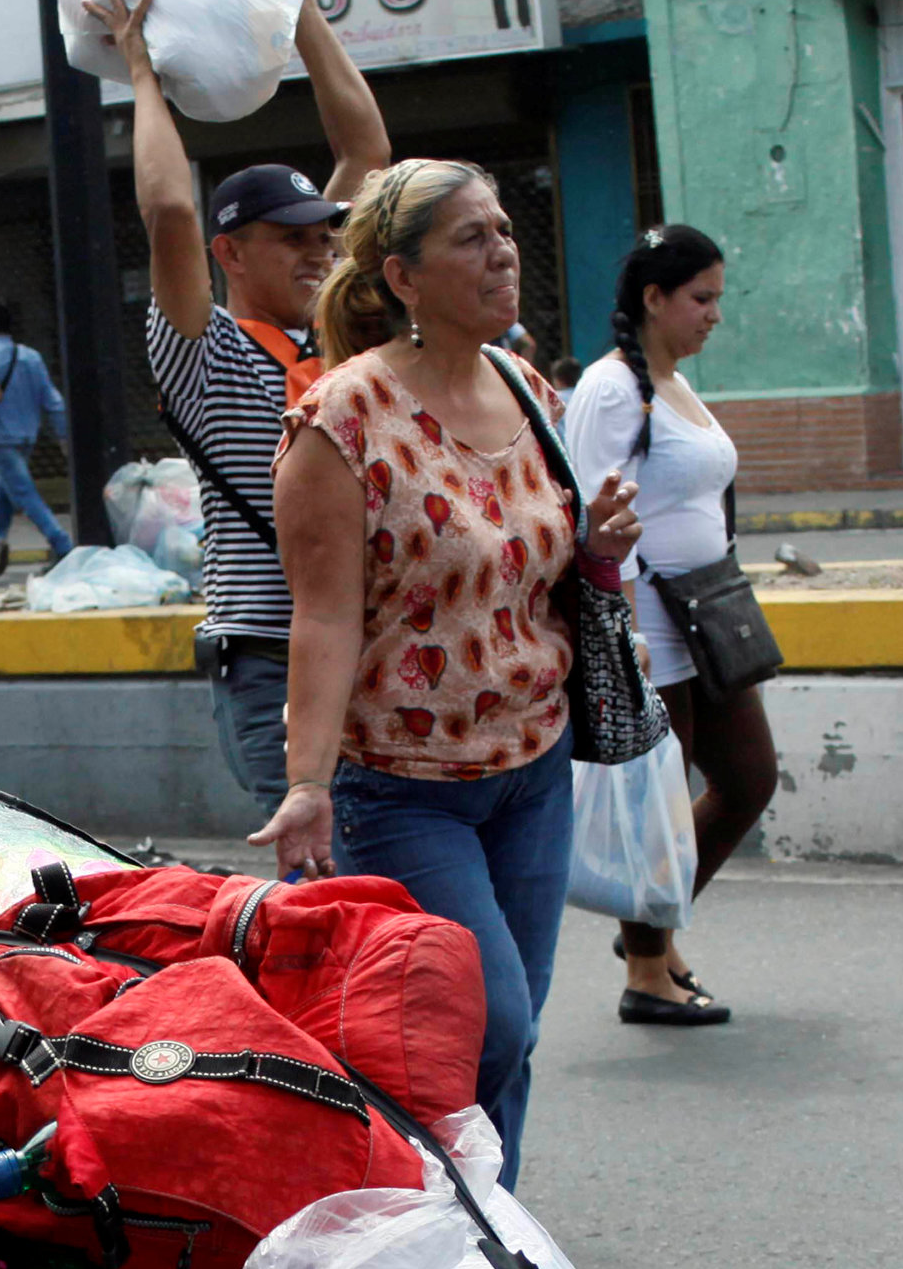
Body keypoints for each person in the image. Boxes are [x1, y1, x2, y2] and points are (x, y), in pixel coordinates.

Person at [256, 159, 641, 1179]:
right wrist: (305, 783)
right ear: (402, 277)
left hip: (532, 766)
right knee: (487, 1029)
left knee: (509, 1037)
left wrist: (595, 544)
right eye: (469, 238)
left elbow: (549, 563)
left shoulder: (525, 387)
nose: (501, 251)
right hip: (404, 790)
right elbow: (323, 619)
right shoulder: (340, 422)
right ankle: (411, 1220)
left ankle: (489, 1252)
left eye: (503, 229)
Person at [101, 0, 391, 815]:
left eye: (324, 236)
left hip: (367, 643)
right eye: (291, 239)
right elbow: (166, 209)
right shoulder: (205, 350)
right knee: (318, 884)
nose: (319, 253)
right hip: (268, 657)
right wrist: (141, 72)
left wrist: (293, 5)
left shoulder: (335, 333)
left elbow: (366, 146)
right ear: (229, 252)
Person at [563, 224, 780, 1026]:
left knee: (749, 778)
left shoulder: (675, 383)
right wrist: (620, 637)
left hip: (708, 617)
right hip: (650, 626)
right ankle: (648, 971)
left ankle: (650, 925)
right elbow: (593, 511)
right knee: (656, 801)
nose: (714, 314)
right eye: (701, 298)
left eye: (718, 297)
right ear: (654, 299)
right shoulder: (612, 388)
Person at [0, 301, 72, 582]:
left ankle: (62, 544)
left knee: (23, 493)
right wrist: (62, 435)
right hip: (27, 435)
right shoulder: (31, 357)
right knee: (3, 492)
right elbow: (53, 401)